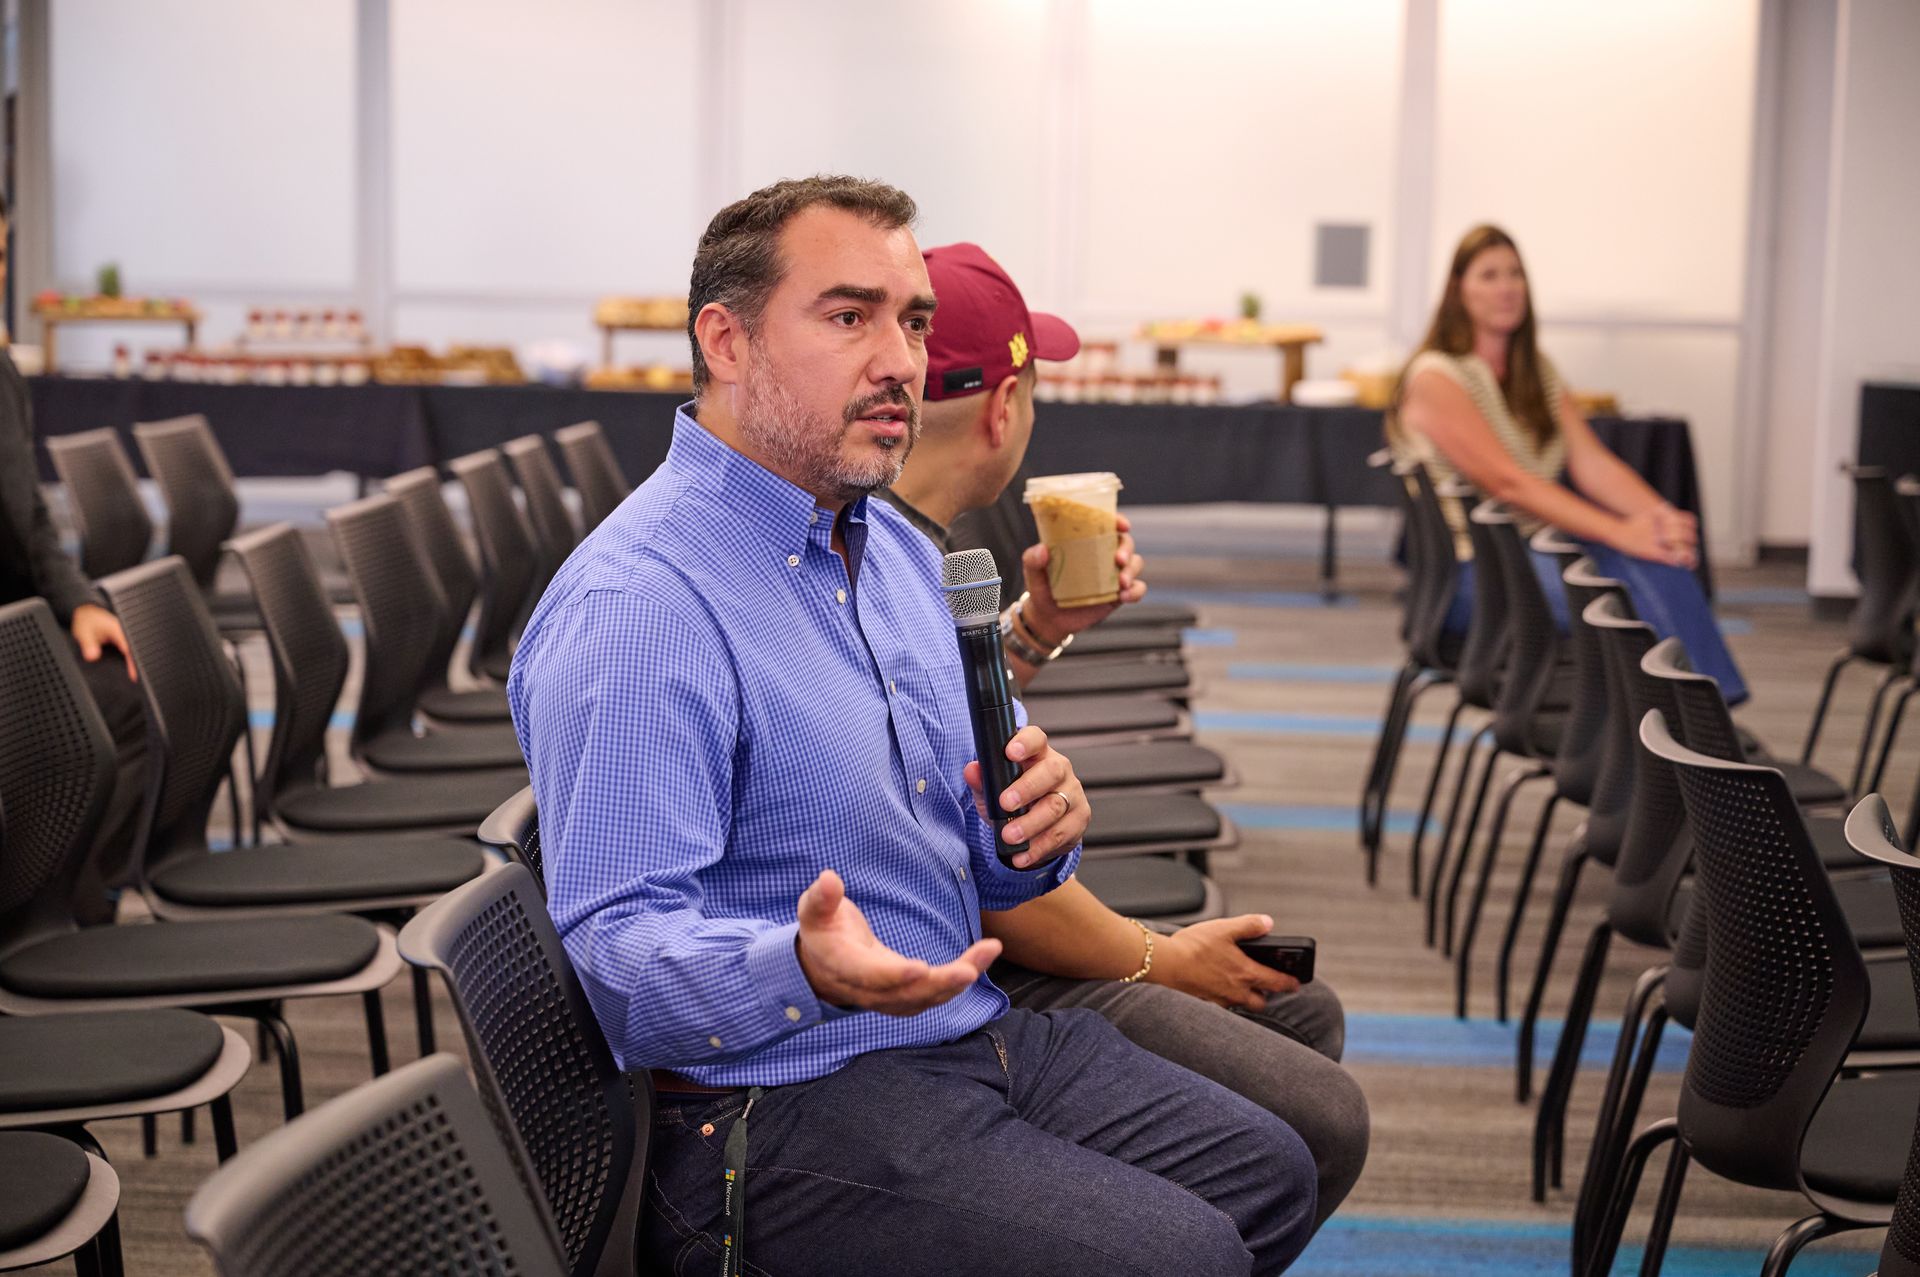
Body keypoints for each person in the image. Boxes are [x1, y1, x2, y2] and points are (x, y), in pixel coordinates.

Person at [510, 177, 1317, 1276]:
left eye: (915, 320)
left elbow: (986, 828)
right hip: (778, 1102)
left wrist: (1039, 817)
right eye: (850, 317)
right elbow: (619, 958)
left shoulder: (884, 550)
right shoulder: (643, 605)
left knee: (1272, 1167)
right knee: (1181, 1251)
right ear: (727, 342)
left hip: (956, 1026)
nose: (901, 359)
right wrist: (797, 961)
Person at [875, 241, 1367, 1226]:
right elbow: (991, 876)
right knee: (1319, 1119)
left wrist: (1036, 628)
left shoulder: (909, 552)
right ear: (1003, 407)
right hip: (963, 966)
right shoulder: (892, 570)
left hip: (970, 934)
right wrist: (1162, 955)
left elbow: (943, 737)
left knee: (1297, 1015)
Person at [1389, 223, 1746, 702]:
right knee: (1620, 602)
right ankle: (1689, 734)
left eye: (1515, 274)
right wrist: (1621, 530)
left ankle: (1713, 721)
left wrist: (1657, 519)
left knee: (1662, 566)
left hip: (1536, 550)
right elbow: (1510, 484)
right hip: (1474, 574)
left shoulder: (1534, 369)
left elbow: (1592, 462)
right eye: (1489, 275)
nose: (1506, 288)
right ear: (1458, 289)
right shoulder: (1436, 377)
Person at [0, 194, 145, 923]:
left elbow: (29, 517)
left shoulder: (1, 371)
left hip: (20, 621)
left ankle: (77, 906)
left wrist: (79, 601)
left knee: (132, 699)